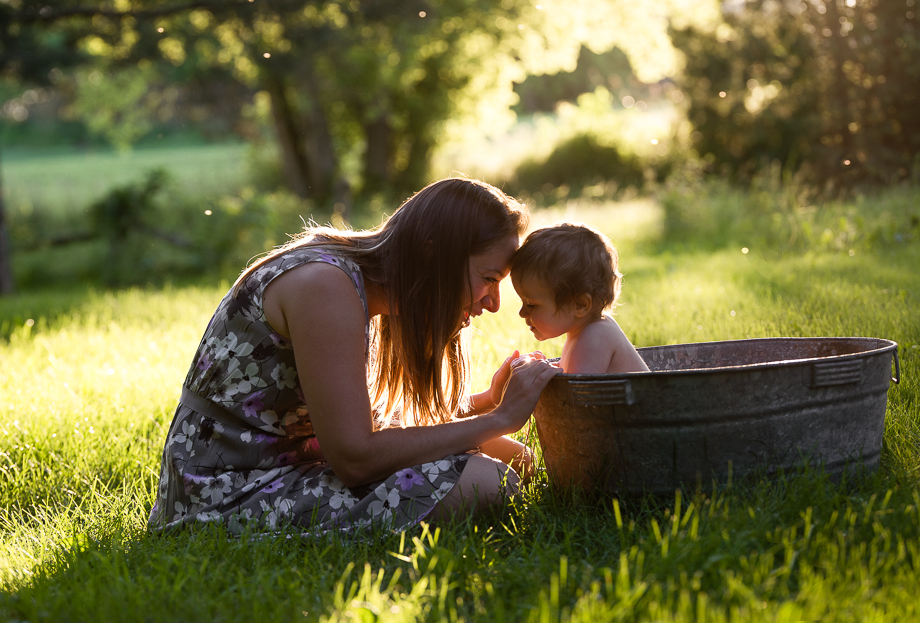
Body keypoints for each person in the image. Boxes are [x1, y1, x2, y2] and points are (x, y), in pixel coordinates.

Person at [148, 177, 562, 535]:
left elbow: (355, 420)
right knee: (487, 483)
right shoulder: (325, 286)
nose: (493, 303)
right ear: (434, 252)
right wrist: (501, 418)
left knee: (515, 457)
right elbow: (355, 458)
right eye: (489, 279)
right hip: (225, 491)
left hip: (294, 463)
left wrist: (485, 404)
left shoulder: (361, 282)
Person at [510, 222, 650, 374]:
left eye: (531, 304)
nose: (522, 313)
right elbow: (573, 372)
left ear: (580, 305)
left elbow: (578, 393)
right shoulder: (582, 332)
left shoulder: (595, 336)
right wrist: (543, 369)